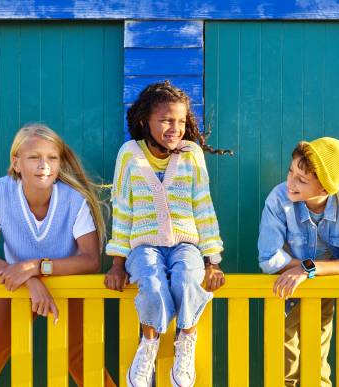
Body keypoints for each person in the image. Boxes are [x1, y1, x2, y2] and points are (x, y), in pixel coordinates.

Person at [0, 124, 116, 387]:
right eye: (34, 157)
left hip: (66, 283)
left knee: (79, 358)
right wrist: (29, 279)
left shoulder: (73, 199)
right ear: (17, 162)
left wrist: (36, 267)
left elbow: (91, 260)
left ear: (59, 164)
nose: (43, 165)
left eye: (52, 158)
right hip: (17, 284)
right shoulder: (1, 191)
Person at [104, 81, 228, 387]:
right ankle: (148, 345)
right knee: (152, 281)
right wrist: (117, 264)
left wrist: (212, 261)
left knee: (188, 278)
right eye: (166, 120)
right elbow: (121, 208)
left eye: (181, 121)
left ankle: (186, 339)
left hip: (186, 244)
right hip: (143, 246)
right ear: (146, 120)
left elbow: (203, 206)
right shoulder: (129, 154)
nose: (175, 128)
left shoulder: (192, 155)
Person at [257, 137, 339, 386]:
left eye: (301, 180)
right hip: (285, 290)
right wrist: (300, 269)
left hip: (324, 290)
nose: (290, 183)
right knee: (285, 364)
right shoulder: (278, 199)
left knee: (316, 362)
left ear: (325, 189)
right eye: (290, 172)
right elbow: (269, 258)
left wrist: (308, 269)